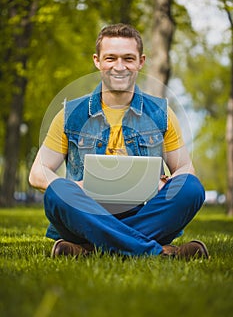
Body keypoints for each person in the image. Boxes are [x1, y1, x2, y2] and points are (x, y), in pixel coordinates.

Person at [29, 23, 209, 260]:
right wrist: (79, 188)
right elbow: (37, 174)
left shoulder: (161, 114)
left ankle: (91, 249)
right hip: (86, 215)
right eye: (111, 58)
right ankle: (156, 252)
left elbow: (186, 168)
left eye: (128, 58)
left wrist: (166, 182)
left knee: (191, 187)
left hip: (145, 212)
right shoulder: (71, 113)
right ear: (97, 61)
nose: (119, 67)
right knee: (57, 191)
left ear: (141, 62)